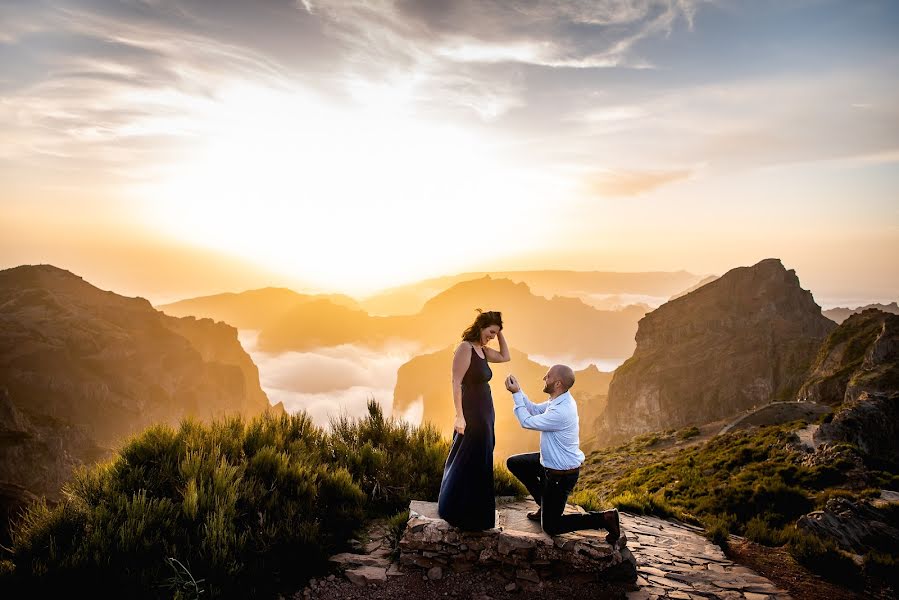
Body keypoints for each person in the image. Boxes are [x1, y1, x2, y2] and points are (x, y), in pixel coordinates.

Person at [504, 365, 620, 543]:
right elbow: (534, 409)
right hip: (549, 463)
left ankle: (604, 518)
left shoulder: (561, 411)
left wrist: (514, 395)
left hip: (561, 474)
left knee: (551, 527)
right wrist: (518, 391)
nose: (544, 378)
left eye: (548, 376)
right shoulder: (558, 399)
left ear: (557, 383)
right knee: (516, 463)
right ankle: (544, 504)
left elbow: (527, 421)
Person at [437, 309, 510, 530]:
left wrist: (500, 333)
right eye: (490, 331)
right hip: (470, 410)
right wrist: (459, 416)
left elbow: (506, 356)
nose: (492, 336)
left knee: (482, 456)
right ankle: (456, 509)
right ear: (481, 326)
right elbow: (456, 382)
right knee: (467, 455)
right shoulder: (465, 348)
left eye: (495, 333)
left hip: (486, 410)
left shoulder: (483, 350)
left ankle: (478, 513)